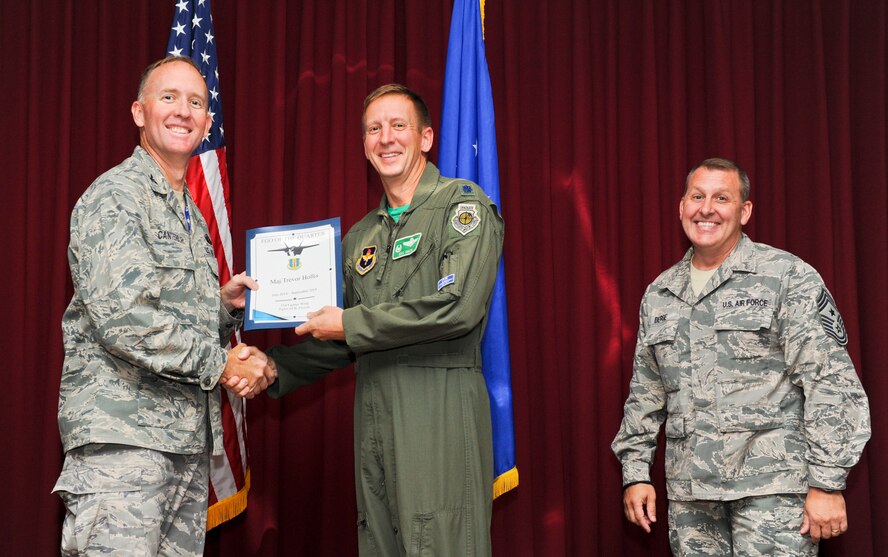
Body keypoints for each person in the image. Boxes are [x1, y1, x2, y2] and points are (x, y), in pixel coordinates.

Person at [262, 83, 504, 556]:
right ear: (365, 145)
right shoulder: (359, 239)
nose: (386, 138)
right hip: (374, 413)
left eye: (399, 126)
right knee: (378, 542)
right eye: (374, 129)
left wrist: (349, 325)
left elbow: (457, 307)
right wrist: (273, 367)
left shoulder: (462, 206)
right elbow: (340, 336)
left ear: (426, 138)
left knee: (440, 544)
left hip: (438, 408)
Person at [52, 56, 273, 556]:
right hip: (124, 445)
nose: (183, 111)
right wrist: (222, 363)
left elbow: (168, 312)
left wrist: (221, 306)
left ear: (208, 123)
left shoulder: (189, 211)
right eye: (168, 97)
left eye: (196, 102)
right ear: (138, 112)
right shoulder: (115, 196)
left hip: (185, 445)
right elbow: (126, 319)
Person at [611, 157, 871, 556]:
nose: (707, 208)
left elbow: (830, 382)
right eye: (697, 196)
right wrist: (635, 473)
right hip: (691, 497)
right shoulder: (660, 293)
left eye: (722, 198)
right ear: (682, 206)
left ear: (744, 210)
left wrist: (827, 483)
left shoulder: (785, 276)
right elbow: (646, 392)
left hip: (772, 493)